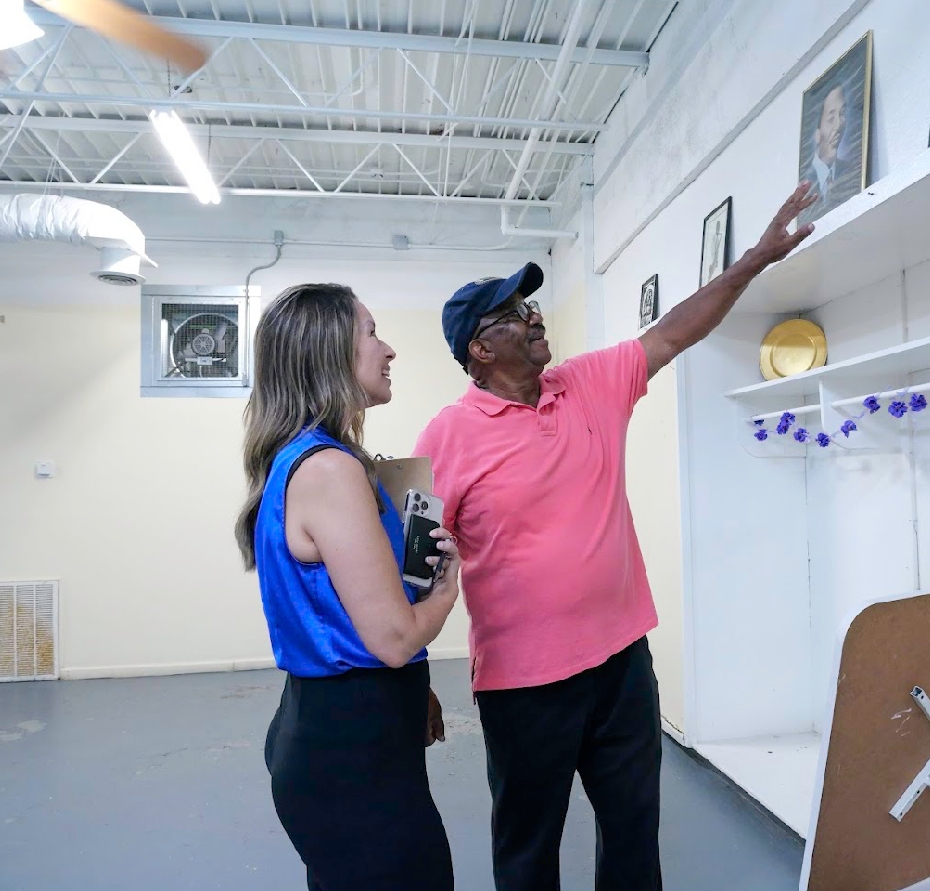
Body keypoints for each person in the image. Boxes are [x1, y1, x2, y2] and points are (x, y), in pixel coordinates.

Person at [413, 184, 817, 891]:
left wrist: (753, 260)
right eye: (513, 314)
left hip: (623, 667)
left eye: (531, 305)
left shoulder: (590, 381)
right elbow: (415, 564)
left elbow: (674, 332)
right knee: (528, 850)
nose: (533, 317)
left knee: (633, 835)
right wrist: (411, 675)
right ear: (479, 348)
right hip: (523, 687)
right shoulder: (445, 436)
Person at [235, 283, 460, 891]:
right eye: (370, 332)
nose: (388, 350)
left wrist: (418, 691)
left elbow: (356, 619)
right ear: (328, 353)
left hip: (340, 725)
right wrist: (446, 591)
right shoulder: (331, 470)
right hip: (351, 748)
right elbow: (392, 639)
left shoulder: (312, 457)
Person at [799, 82, 858, 225]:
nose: (839, 125)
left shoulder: (852, 173)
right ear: (817, 134)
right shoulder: (805, 185)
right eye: (831, 119)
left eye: (842, 114)